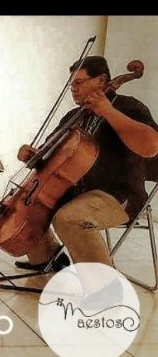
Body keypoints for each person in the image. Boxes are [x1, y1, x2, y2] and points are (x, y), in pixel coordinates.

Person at [16, 56, 158, 271]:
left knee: (69, 218)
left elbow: (151, 146)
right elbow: (49, 155)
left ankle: (103, 283)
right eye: (71, 84)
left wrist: (108, 111)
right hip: (76, 192)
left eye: (79, 82)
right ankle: (47, 259)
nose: (73, 88)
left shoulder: (128, 106)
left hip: (118, 194)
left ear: (101, 80)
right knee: (29, 204)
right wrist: (33, 155)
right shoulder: (74, 116)